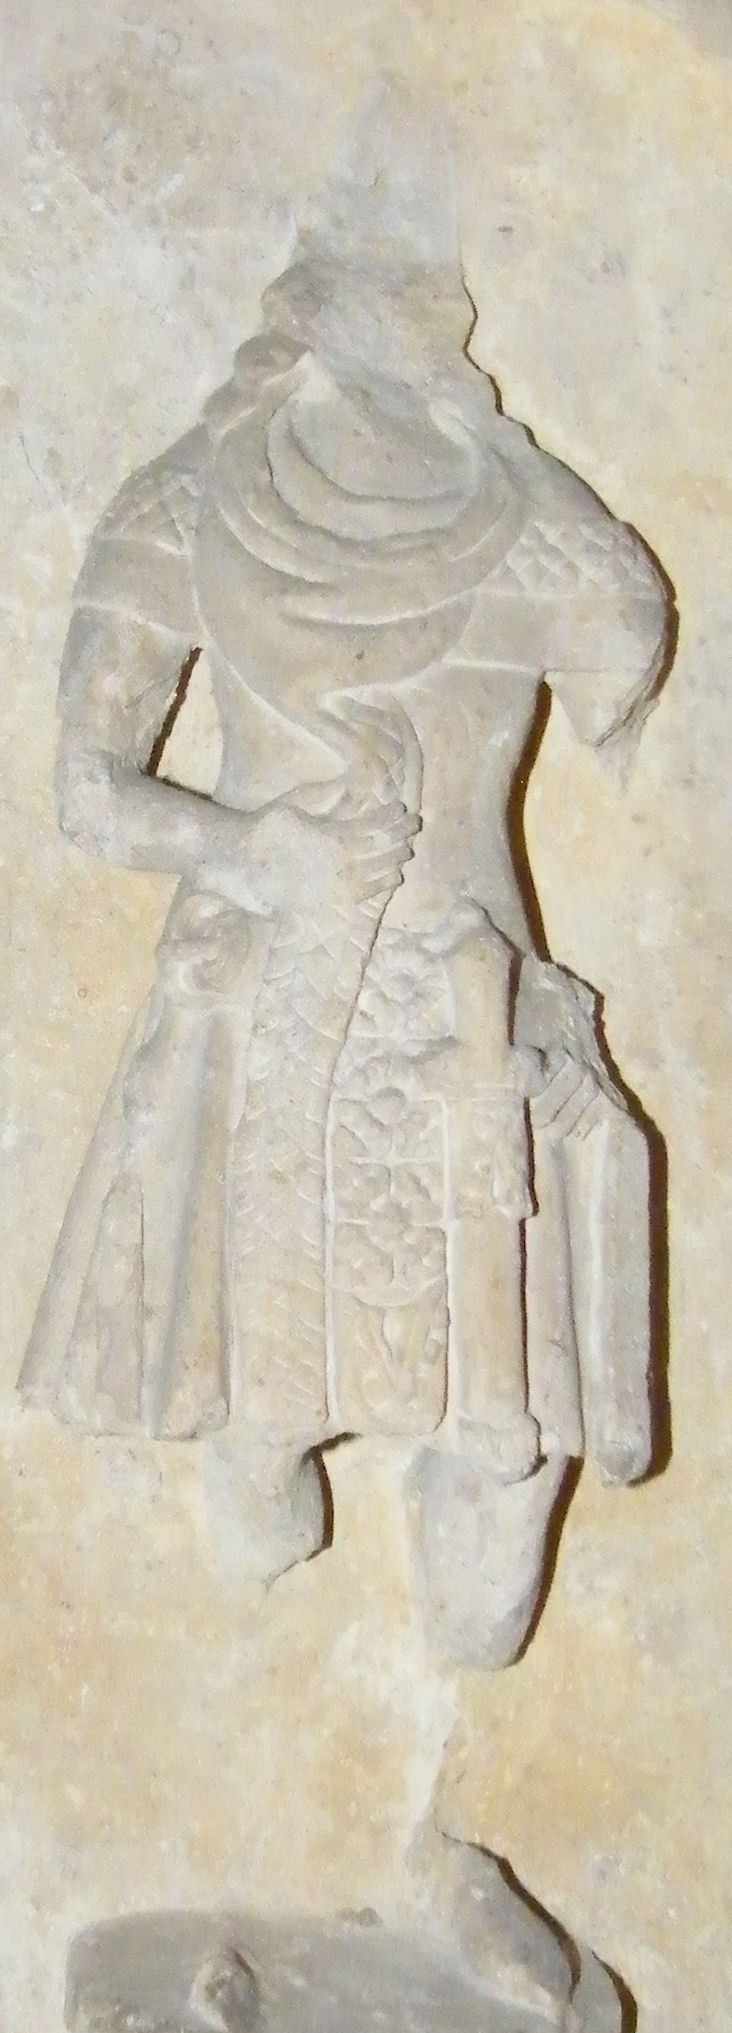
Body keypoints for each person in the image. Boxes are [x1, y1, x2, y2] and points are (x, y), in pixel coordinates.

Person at [19, 92, 669, 1667]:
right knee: (257, 1480)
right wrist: (254, 848)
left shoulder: (525, 530)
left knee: (489, 1553)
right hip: (274, 1026)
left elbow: (627, 643)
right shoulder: (195, 500)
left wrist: (501, 458)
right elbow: (86, 788)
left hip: (471, 1037)